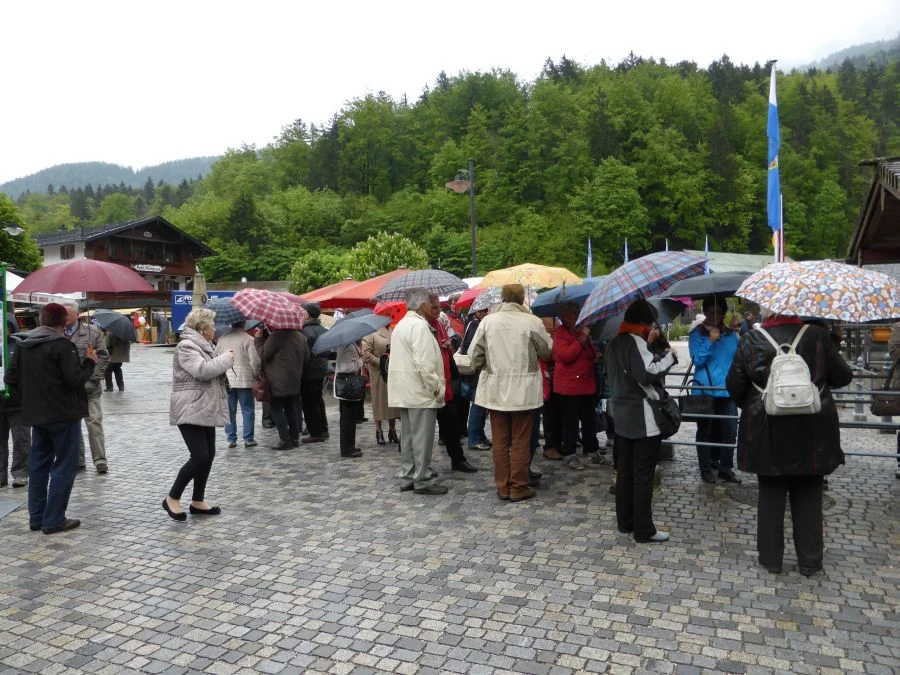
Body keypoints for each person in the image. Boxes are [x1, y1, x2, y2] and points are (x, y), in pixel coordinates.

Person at [727, 311, 853, 576]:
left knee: (770, 494)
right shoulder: (818, 336)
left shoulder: (752, 339)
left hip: (766, 428)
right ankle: (810, 560)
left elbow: (735, 385)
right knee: (809, 494)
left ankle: (771, 559)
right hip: (813, 429)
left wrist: (755, 402)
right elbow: (843, 377)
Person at [5, 304, 97, 533]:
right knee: (64, 466)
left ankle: (36, 517)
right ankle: (54, 519)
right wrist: (89, 362)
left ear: (41, 319)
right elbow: (74, 380)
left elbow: (10, 378)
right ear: (64, 322)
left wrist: (29, 398)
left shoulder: (24, 345)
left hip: (37, 416)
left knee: (38, 466)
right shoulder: (62, 345)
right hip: (63, 415)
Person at [470, 284, 552, 502]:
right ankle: (518, 486)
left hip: (495, 390)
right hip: (524, 391)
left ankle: (502, 487)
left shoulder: (488, 322)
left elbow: (474, 355)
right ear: (522, 298)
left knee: (500, 441)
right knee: (520, 441)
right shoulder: (532, 321)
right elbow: (547, 350)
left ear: (503, 298)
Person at [605, 299, 677, 543]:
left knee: (625, 473)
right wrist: (669, 358)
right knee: (643, 475)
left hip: (622, 418)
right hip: (644, 419)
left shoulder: (615, 342)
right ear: (646, 322)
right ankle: (644, 530)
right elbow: (647, 373)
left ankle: (625, 522)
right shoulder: (635, 342)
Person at [163, 308, 234, 521]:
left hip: (206, 407)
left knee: (208, 455)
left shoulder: (205, 345)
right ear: (203, 328)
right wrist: (226, 359)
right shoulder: (186, 346)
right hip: (190, 407)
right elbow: (202, 371)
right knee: (200, 455)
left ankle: (197, 500)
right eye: (212, 325)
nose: (215, 329)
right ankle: (172, 497)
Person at [388, 289, 447, 495]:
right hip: (420, 391)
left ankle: (408, 475)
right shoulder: (419, 326)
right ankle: (422, 479)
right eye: (430, 304)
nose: (432, 308)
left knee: (409, 438)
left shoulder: (401, 325)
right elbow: (425, 363)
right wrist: (436, 388)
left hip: (406, 390)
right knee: (421, 439)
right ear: (422, 305)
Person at [688, 295, 741, 484]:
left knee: (730, 432)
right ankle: (706, 469)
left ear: (724, 314)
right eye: (710, 312)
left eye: (718, 312)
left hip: (727, 391)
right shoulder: (696, 335)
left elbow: (738, 358)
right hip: (705, 391)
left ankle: (725, 469)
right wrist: (710, 340)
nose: (714, 315)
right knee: (705, 431)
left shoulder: (730, 335)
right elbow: (697, 360)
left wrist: (735, 332)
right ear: (704, 313)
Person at [62, 302, 110, 475]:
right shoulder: (57, 333)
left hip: (90, 389)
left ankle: (100, 460)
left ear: (77, 315)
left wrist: (93, 379)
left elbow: (104, 357)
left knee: (94, 423)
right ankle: (78, 460)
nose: (64, 317)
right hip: (68, 390)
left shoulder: (92, 333)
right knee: (72, 426)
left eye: (67, 314)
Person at [428, 309, 477, 473]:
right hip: (431, 385)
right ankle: (421, 465)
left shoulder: (440, 325)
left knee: (452, 423)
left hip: (447, 380)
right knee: (424, 428)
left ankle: (458, 459)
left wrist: (448, 346)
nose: (437, 311)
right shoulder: (421, 327)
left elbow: (447, 349)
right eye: (434, 307)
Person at [552, 302, 601, 470]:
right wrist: (583, 338)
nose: (577, 315)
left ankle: (592, 450)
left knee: (589, 420)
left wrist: (596, 356)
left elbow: (589, 352)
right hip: (569, 387)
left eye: (577, 312)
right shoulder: (560, 334)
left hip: (587, 384)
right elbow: (566, 355)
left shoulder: (580, 331)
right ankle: (570, 454)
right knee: (570, 422)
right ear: (564, 316)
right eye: (573, 313)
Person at [215, 321, 260, 448]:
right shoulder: (248, 339)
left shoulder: (222, 339)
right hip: (244, 378)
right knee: (247, 409)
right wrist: (256, 374)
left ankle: (231, 439)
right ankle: (248, 438)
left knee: (230, 410)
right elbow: (254, 361)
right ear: (243, 324)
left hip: (226, 378)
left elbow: (216, 357)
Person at [263, 325, 309, 450]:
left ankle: (285, 440)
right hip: (295, 379)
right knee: (291, 408)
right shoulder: (301, 337)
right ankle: (294, 439)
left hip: (277, 380)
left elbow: (265, 355)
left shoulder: (275, 337)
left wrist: (259, 341)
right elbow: (306, 358)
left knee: (277, 409)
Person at [1, 320, 30, 489]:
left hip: (17, 402)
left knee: (21, 440)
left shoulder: (19, 346)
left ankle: (20, 474)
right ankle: (0, 475)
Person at [361, 322, 399, 445]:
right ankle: (379, 430)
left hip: (392, 370)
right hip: (378, 371)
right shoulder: (371, 332)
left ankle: (392, 429)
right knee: (379, 401)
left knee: (392, 401)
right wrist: (381, 361)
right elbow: (366, 354)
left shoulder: (394, 329)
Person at [461, 308, 491, 452]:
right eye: (481, 311)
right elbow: (473, 349)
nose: (484, 313)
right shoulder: (473, 324)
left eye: (486, 310)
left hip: (478, 371)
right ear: (476, 312)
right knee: (478, 404)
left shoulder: (477, 324)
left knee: (481, 405)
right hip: (475, 372)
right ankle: (474, 439)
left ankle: (480, 435)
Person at [300, 303, 330, 443]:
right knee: (318, 399)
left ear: (307, 314)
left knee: (309, 402)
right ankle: (323, 428)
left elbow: (304, 354)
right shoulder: (324, 330)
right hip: (321, 368)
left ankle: (315, 432)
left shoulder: (304, 332)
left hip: (309, 370)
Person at [335, 341, 365, 458]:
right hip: (348, 386)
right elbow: (346, 367)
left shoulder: (346, 345)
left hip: (347, 385)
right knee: (348, 418)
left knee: (349, 418)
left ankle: (349, 446)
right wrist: (360, 361)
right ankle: (347, 449)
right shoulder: (349, 346)